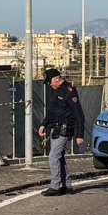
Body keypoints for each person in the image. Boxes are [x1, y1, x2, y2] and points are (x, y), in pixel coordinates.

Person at [39, 68, 85, 196]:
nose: (49, 84)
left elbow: (79, 114)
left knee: (53, 156)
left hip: (64, 128)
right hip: (55, 127)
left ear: (56, 79)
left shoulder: (69, 92)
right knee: (59, 157)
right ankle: (66, 184)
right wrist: (44, 124)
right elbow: (52, 111)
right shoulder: (55, 91)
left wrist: (79, 135)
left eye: (50, 82)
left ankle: (55, 186)